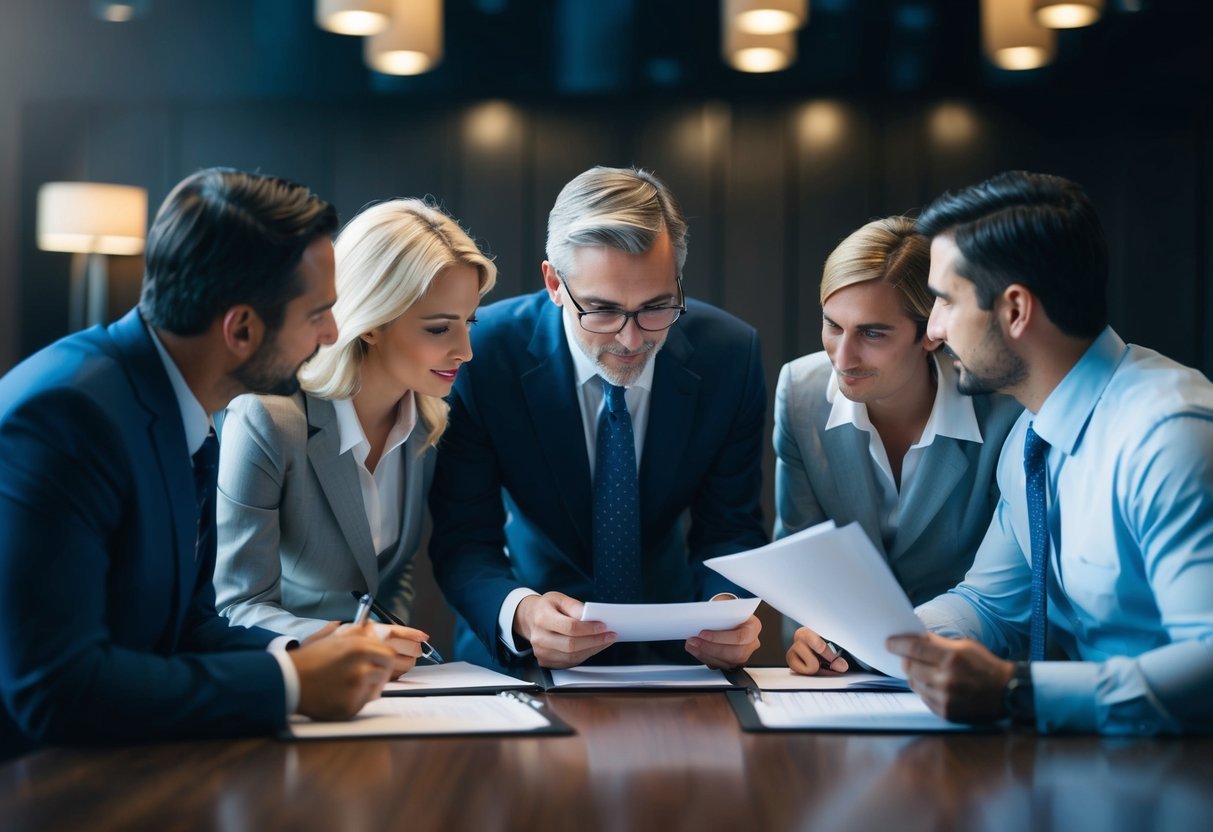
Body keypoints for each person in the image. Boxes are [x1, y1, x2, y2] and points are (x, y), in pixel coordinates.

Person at [0, 168, 400, 760]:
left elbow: (184, 629)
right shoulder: (67, 420)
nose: (334, 332)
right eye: (317, 313)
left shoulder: (184, 408)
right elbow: (57, 686)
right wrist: (292, 685)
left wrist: (299, 657)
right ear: (241, 328)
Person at [883, 171, 1213, 734]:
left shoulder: (1169, 435)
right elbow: (991, 604)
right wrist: (878, 636)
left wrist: (1018, 691)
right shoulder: (1031, 439)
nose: (932, 330)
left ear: (1015, 310)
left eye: (943, 301)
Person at [428, 165, 767, 670]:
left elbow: (731, 528)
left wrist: (725, 608)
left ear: (678, 280)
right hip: (524, 657)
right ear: (554, 283)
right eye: (602, 311)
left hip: (679, 656)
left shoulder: (729, 355)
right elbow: (463, 539)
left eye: (656, 307)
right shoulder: (486, 356)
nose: (632, 340)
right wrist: (520, 614)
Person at [214, 199, 496, 650]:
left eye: (469, 322)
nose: (466, 350)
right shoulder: (267, 418)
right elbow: (237, 608)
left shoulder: (428, 422)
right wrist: (354, 642)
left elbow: (388, 577)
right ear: (371, 323)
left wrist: (392, 654)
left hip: (377, 690)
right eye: (440, 329)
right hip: (286, 682)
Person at [779, 217, 1021, 675]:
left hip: (970, 671)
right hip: (841, 676)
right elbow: (800, 553)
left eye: (872, 333)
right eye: (833, 326)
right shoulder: (801, 391)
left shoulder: (1003, 412)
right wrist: (812, 637)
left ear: (931, 331)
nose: (843, 358)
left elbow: (1008, 592)